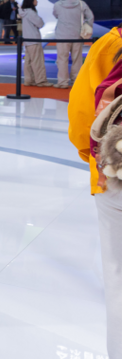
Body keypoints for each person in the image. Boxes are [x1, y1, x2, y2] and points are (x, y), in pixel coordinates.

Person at [67, 25, 122, 359]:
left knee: (118, 281)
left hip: (115, 175)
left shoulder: (112, 43)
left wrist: (96, 161)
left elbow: (81, 117)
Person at [53, 0, 94, 89]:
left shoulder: (57, 5)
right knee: (77, 59)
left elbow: (56, 15)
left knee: (62, 59)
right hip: (77, 35)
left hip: (62, 36)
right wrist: (86, 25)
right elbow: (90, 17)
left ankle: (62, 82)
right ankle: (76, 80)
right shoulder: (81, 3)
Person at [21, 0, 53, 87]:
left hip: (27, 40)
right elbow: (40, 23)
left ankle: (29, 80)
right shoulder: (31, 13)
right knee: (37, 61)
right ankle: (41, 81)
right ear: (32, 1)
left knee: (29, 61)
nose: (37, 1)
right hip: (34, 40)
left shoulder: (24, 12)